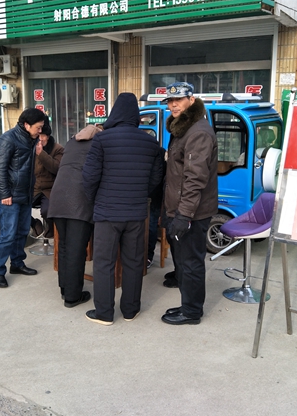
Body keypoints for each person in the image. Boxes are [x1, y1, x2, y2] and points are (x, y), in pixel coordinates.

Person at [82, 93, 163, 325]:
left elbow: (89, 177)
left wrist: (96, 200)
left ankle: (104, 313)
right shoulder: (151, 143)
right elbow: (156, 178)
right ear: (136, 115)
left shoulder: (101, 139)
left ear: (115, 112)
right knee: (134, 262)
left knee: (104, 263)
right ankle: (130, 310)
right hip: (136, 213)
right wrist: (140, 194)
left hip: (107, 213)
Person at [161, 82, 218, 325]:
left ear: (191, 100)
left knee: (191, 262)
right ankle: (187, 301)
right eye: (170, 101)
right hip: (179, 207)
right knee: (183, 260)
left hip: (193, 211)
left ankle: (192, 311)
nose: (173, 105)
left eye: (179, 100)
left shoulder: (198, 133)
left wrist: (184, 215)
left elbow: (194, 178)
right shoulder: (182, 128)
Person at [0, 108, 48, 288]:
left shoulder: (32, 139)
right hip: (9, 196)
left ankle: (17, 263)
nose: (40, 131)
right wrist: (5, 194)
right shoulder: (8, 139)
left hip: (25, 194)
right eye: (38, 127)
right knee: (8, 234)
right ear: (26, 125)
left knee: (22, 231)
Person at [48, 124, 102, 308]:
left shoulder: (71, 142)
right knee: (76, 250)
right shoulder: (98, 143)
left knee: (64, 245)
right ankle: (73, 296)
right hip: (78, 201)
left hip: (58, 198)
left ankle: (65, 288)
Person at [32, 121, 64, 238]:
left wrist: (41, 153)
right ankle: (35, 224)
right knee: (17, 207)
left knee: (48, 211)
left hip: (50, 189)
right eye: (38, 136)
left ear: (48, 136)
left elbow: (56, 168)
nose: (40, 139)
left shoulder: (58, 149)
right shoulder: (30, 147)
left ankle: (50, 231)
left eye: (43, 136)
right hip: (34, 188)